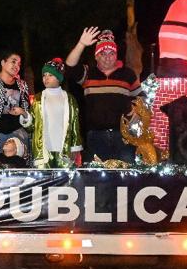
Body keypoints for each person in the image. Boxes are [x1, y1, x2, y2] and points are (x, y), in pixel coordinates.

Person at [65, 28, 142, 163]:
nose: (107, 57)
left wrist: (135, 115)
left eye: (111, 53)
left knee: (127, 177)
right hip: (95, 136)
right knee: (96, 179)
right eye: (103, 53)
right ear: (96, 56)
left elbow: (141, 99)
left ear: (116, 55)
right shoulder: (88, 73)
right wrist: (81, 44)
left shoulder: (127, 74)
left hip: (123, 137)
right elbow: (70, 66)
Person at [27, 58, 82, 168]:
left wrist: (75, 149)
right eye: (44, 75)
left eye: (50, 75)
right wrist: (24, 116)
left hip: (64, 151)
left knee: (65, 183)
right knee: (43, 183)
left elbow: (75, 125)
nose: (46, 78)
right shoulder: (37, 99)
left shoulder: (69, 99)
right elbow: (31, 126)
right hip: (43, 151)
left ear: (58, 77)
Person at [0, 50, 32, 163]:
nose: (16, 66)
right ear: (3, 63)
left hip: (17, 135)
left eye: (19, 64)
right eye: (13, 62)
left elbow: (28, 113)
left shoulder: (22, 86)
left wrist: (22, 112)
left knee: (17, 169)